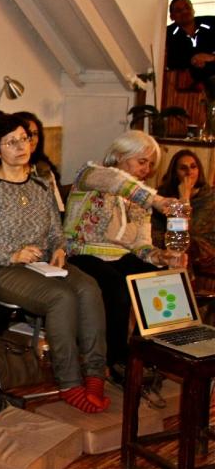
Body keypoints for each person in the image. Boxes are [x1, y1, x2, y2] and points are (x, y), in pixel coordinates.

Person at [0, 114, 109, 413]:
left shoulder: (41, 186)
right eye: (11, 142)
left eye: (24, 138)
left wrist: (59, 249)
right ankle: (69, 382)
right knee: (61, 297)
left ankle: (95, 373)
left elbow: (57, 232)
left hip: (43, 265)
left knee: (89, 287)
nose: (22, 146)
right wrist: (13, 254)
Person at [63, 130, 181, 375]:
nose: (146, 169)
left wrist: (161, 256)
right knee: (117, 285)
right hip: (81, 252)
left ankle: (146, 351)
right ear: (119, 155)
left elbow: (141, 245)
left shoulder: (143, 199)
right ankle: (115, 357)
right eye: (142, 161)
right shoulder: (92, 174)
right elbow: (118, 182)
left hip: (121, 256)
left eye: (151, 164)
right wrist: (156, 200)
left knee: (159, 279)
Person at [152, 149, 215, 293]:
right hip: (170, 246)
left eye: (193, 167)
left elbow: (190, 230)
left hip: (205, 249)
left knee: (184, 244)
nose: (189, 172)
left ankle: (183, 292)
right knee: (176, 246)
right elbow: (156, 231)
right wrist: (183, 198)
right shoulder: (162, 196)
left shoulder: (209, 197)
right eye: (183, 168)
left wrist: (184, 199)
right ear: (175, 173)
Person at [166, 0, 215, 100]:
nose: (185, 12)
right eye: (179, 10)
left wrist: (210, 57)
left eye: (187, 7)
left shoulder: (212, 23)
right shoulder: (167, 34)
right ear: (172, 17)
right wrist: (192, 60)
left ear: (193, 9)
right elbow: (168, 62)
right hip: (188, 87)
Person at [14, 111, 64, 211]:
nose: (32, 139)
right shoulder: (5, 170)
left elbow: (58, 207)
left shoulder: (43, 168)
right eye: (27, 134)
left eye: (35, 134)